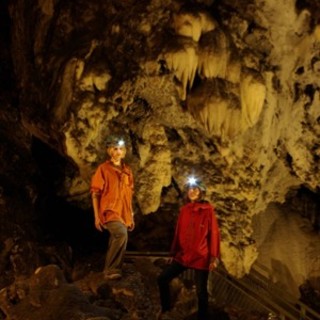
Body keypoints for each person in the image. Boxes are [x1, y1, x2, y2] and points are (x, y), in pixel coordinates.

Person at [157, 176, 220, 320]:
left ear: (201, 192)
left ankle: (202, 317)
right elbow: (178, 232)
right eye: (190, 189)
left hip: (201, 257)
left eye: (195, 189)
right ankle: (166, 308)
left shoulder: (208, 211)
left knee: (201, 291)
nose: (191, 191)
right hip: (184, 255)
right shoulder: (184, 210)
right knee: (162, 278)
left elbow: (214, 234)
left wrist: (214, 257)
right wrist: (173, 253)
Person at [90, 135, 134, 280]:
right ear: (109, 151)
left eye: (121, 149)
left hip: (123, 213)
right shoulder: (104, 169)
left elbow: (128, 194)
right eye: (115, 148)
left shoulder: (127, 171)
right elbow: (95, 193)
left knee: (117, 237)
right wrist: (97, 216)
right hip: (109, 210)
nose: (118, 152)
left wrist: (131, 215)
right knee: (121, 234)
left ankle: (109, 269)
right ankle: (112, 269)